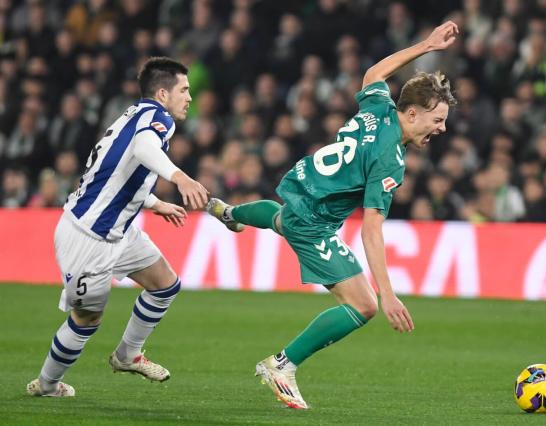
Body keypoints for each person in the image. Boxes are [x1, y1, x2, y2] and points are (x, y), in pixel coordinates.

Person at [206, 21, 460, 409]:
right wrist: (388, 294)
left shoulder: (379, 107)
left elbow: (374, 73)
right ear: (411, 113)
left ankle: (230, 212)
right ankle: (281, 364)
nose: (442, 129)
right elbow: (371, 231)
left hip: (303, 187)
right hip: (314, 220)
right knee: (365, 305)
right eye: (437, 119)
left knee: (279, 220)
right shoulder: (389, 160)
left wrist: (425, 46)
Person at [27, 57, 209, 397]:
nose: (189, 97)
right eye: (184, 90)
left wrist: (154, 203)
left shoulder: (134, 114)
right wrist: (180, 177)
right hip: (89, 238)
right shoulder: (158, 118)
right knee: (86, 320)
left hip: (117, 231)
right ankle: (48, 385)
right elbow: (143, 149)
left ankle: (128, 355)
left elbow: (120, 169)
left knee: (165, 285)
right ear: (162, 93)